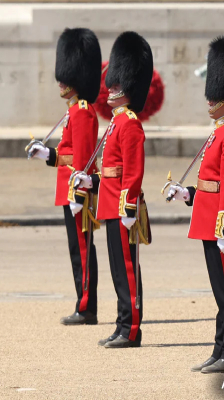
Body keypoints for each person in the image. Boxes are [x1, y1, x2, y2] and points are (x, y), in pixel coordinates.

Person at [165, 36, 224, 373]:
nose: (209, 99)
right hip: (207, 219)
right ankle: (220, 349)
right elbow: (210, 183)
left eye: (214, 95)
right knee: (220, 292)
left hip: (220, 224)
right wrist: (186, 193)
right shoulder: (218, 132)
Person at [70, 31, 153, 348]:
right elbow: (111, 171)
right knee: (118, 270)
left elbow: (133, 171)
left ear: (128, 87)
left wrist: (129, 205)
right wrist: (90, 182)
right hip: (110, 203)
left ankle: (131, 329)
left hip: (122, 207)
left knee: (127, 269)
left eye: (117, 85)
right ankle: (122, 324)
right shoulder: (117, 122)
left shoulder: (129, 122)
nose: (111, 88)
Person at [27, 28, 102, 325]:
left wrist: (79, 194)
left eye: (66, 76)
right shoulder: (73, 111)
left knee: (82, 249)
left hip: (76, 191)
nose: (61, 81)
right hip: (68, 188)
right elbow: (68, 154)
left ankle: (86, 308)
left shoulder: (82, 111)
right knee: (76, 249)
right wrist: (46, 154)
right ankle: (83, 304)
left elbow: (83, 159)